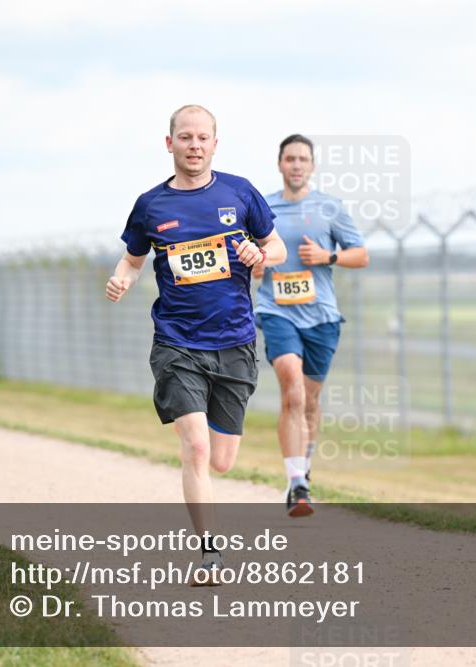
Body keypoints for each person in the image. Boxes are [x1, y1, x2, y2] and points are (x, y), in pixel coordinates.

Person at [106, 104, 286, 584]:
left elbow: (278, 247)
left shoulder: (239, 192)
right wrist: (122, 279)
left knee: (222, 460)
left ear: (215, 144)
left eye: (203, 137)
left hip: (234, 342)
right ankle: (210, 555)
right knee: (197, 447)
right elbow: (132, 260)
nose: (194, 145)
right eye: (185, 137)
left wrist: (259, 253)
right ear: (170, 143)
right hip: (177, 342)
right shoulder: (151, 205)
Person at [253, 134, 368, 517]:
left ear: (312, 165)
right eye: (290, 158)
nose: (297, 165)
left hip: (321, 316)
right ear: (280, 164)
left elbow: (361, 255)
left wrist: (327, 256)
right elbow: (249, 253)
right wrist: (256, 265)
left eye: (303, 159)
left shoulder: (330, 207)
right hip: (277, 311)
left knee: (310, 402)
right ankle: (297, 483)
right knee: (293, 392)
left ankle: (303, 467)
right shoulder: (263, 207)